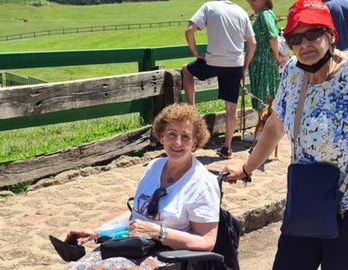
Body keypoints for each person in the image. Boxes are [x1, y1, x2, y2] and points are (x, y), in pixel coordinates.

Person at [223, 0, 348, 269]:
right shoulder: (292, 73)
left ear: (331, 35)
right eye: (295, 38)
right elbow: (275, 126)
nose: (304, 44)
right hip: (309, 197)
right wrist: (247, 168)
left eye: (313, 34)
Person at [65, 104, 221, 269]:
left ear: (195, 142)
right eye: (172, 134)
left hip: (167, 254)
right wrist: (97, 232)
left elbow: (206, 242)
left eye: (186, 137)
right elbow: (136, 213)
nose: (177, 142)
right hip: (132, 244)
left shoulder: (203, 183)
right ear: (161, 137)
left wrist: (159, 233)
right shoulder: (154, 167)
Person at [182, 0, 256, 159]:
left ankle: (192, 109)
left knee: (186, 71)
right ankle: (227, 148)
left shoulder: (209, 7)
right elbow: (252, 43)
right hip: (234, 65)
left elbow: (189, 31)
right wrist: (244, 68)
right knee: (231, 107)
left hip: (213, 62)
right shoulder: (241, 12)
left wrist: (196, 53)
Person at [243, 0, 283, 143]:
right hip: (264, 62)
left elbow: (272, 36)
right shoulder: (265, 14)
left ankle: (262, 133)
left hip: (264, 63)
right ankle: (266, 131)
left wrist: (276, 55)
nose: (250, 2)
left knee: (263, 95)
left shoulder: (264, 15)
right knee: (267, 95)